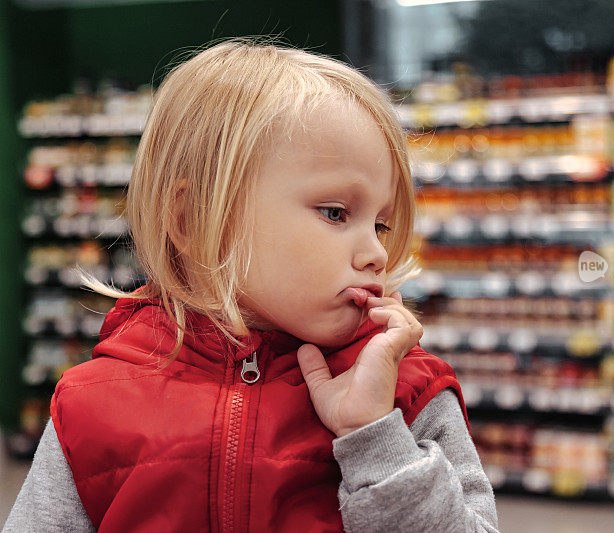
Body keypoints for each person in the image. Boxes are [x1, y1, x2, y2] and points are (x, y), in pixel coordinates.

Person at [3, 37, 499, 532]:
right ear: (194, 219)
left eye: (381, 225)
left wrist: (373, 438)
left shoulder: (407, 391)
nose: (375, 253)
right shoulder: (91, 403)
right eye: (336, 213)